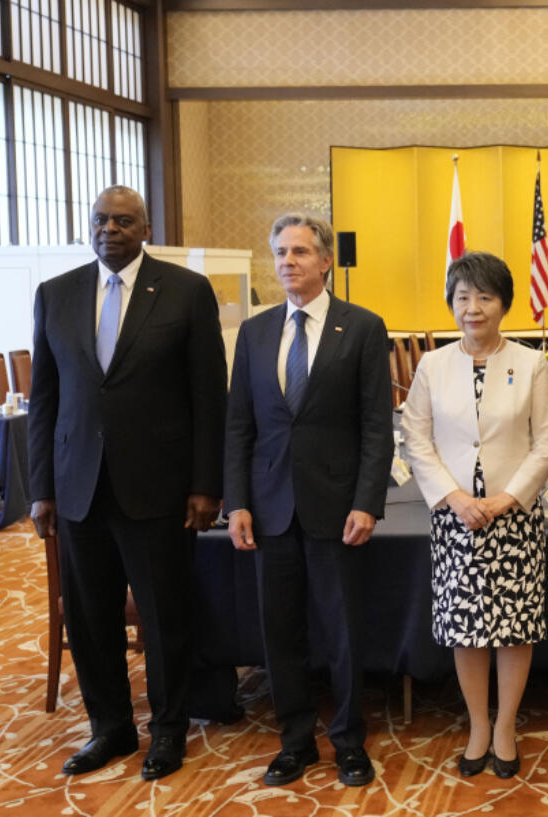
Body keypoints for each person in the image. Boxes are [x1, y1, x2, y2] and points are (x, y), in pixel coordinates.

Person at [29, 185, 227, 780]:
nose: (108, 229)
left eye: (122, 221)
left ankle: (168, 730)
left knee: (165, 614)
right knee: (90, 617)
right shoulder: (55, 295)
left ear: (145, 228)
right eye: (99, 220)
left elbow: (206, 396)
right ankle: (110, 728)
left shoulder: (187, 291)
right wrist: (40, 487)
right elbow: (45, 398)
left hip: (161, 488)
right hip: (78, 488)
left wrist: (206, 483)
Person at [224, 213, 393, 788]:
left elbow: (377, 426)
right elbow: (239, 425)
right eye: (279, 252)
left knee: (343, 632)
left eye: (299, 251)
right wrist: (237, 501)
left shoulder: (364, 328)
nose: (287, 262)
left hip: (337, 507)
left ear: (325, 261)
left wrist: (369, 500)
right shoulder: (256, 331)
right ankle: (294, 740)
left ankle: (348, 741)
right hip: (269, 508)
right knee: (281, 632)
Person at [399, 252, 548, 779]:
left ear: (504, 304)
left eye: (484, 297)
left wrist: (509, 497)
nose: (473, 308)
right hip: (455, 518)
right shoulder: (432, 365)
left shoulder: (530, 363)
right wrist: (454, 497)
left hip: (513, 518)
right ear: (452, 303)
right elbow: (416, 439)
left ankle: (507, 724)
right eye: (463, 297)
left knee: (514, 627)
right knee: (466, 627)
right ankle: (476, 724)